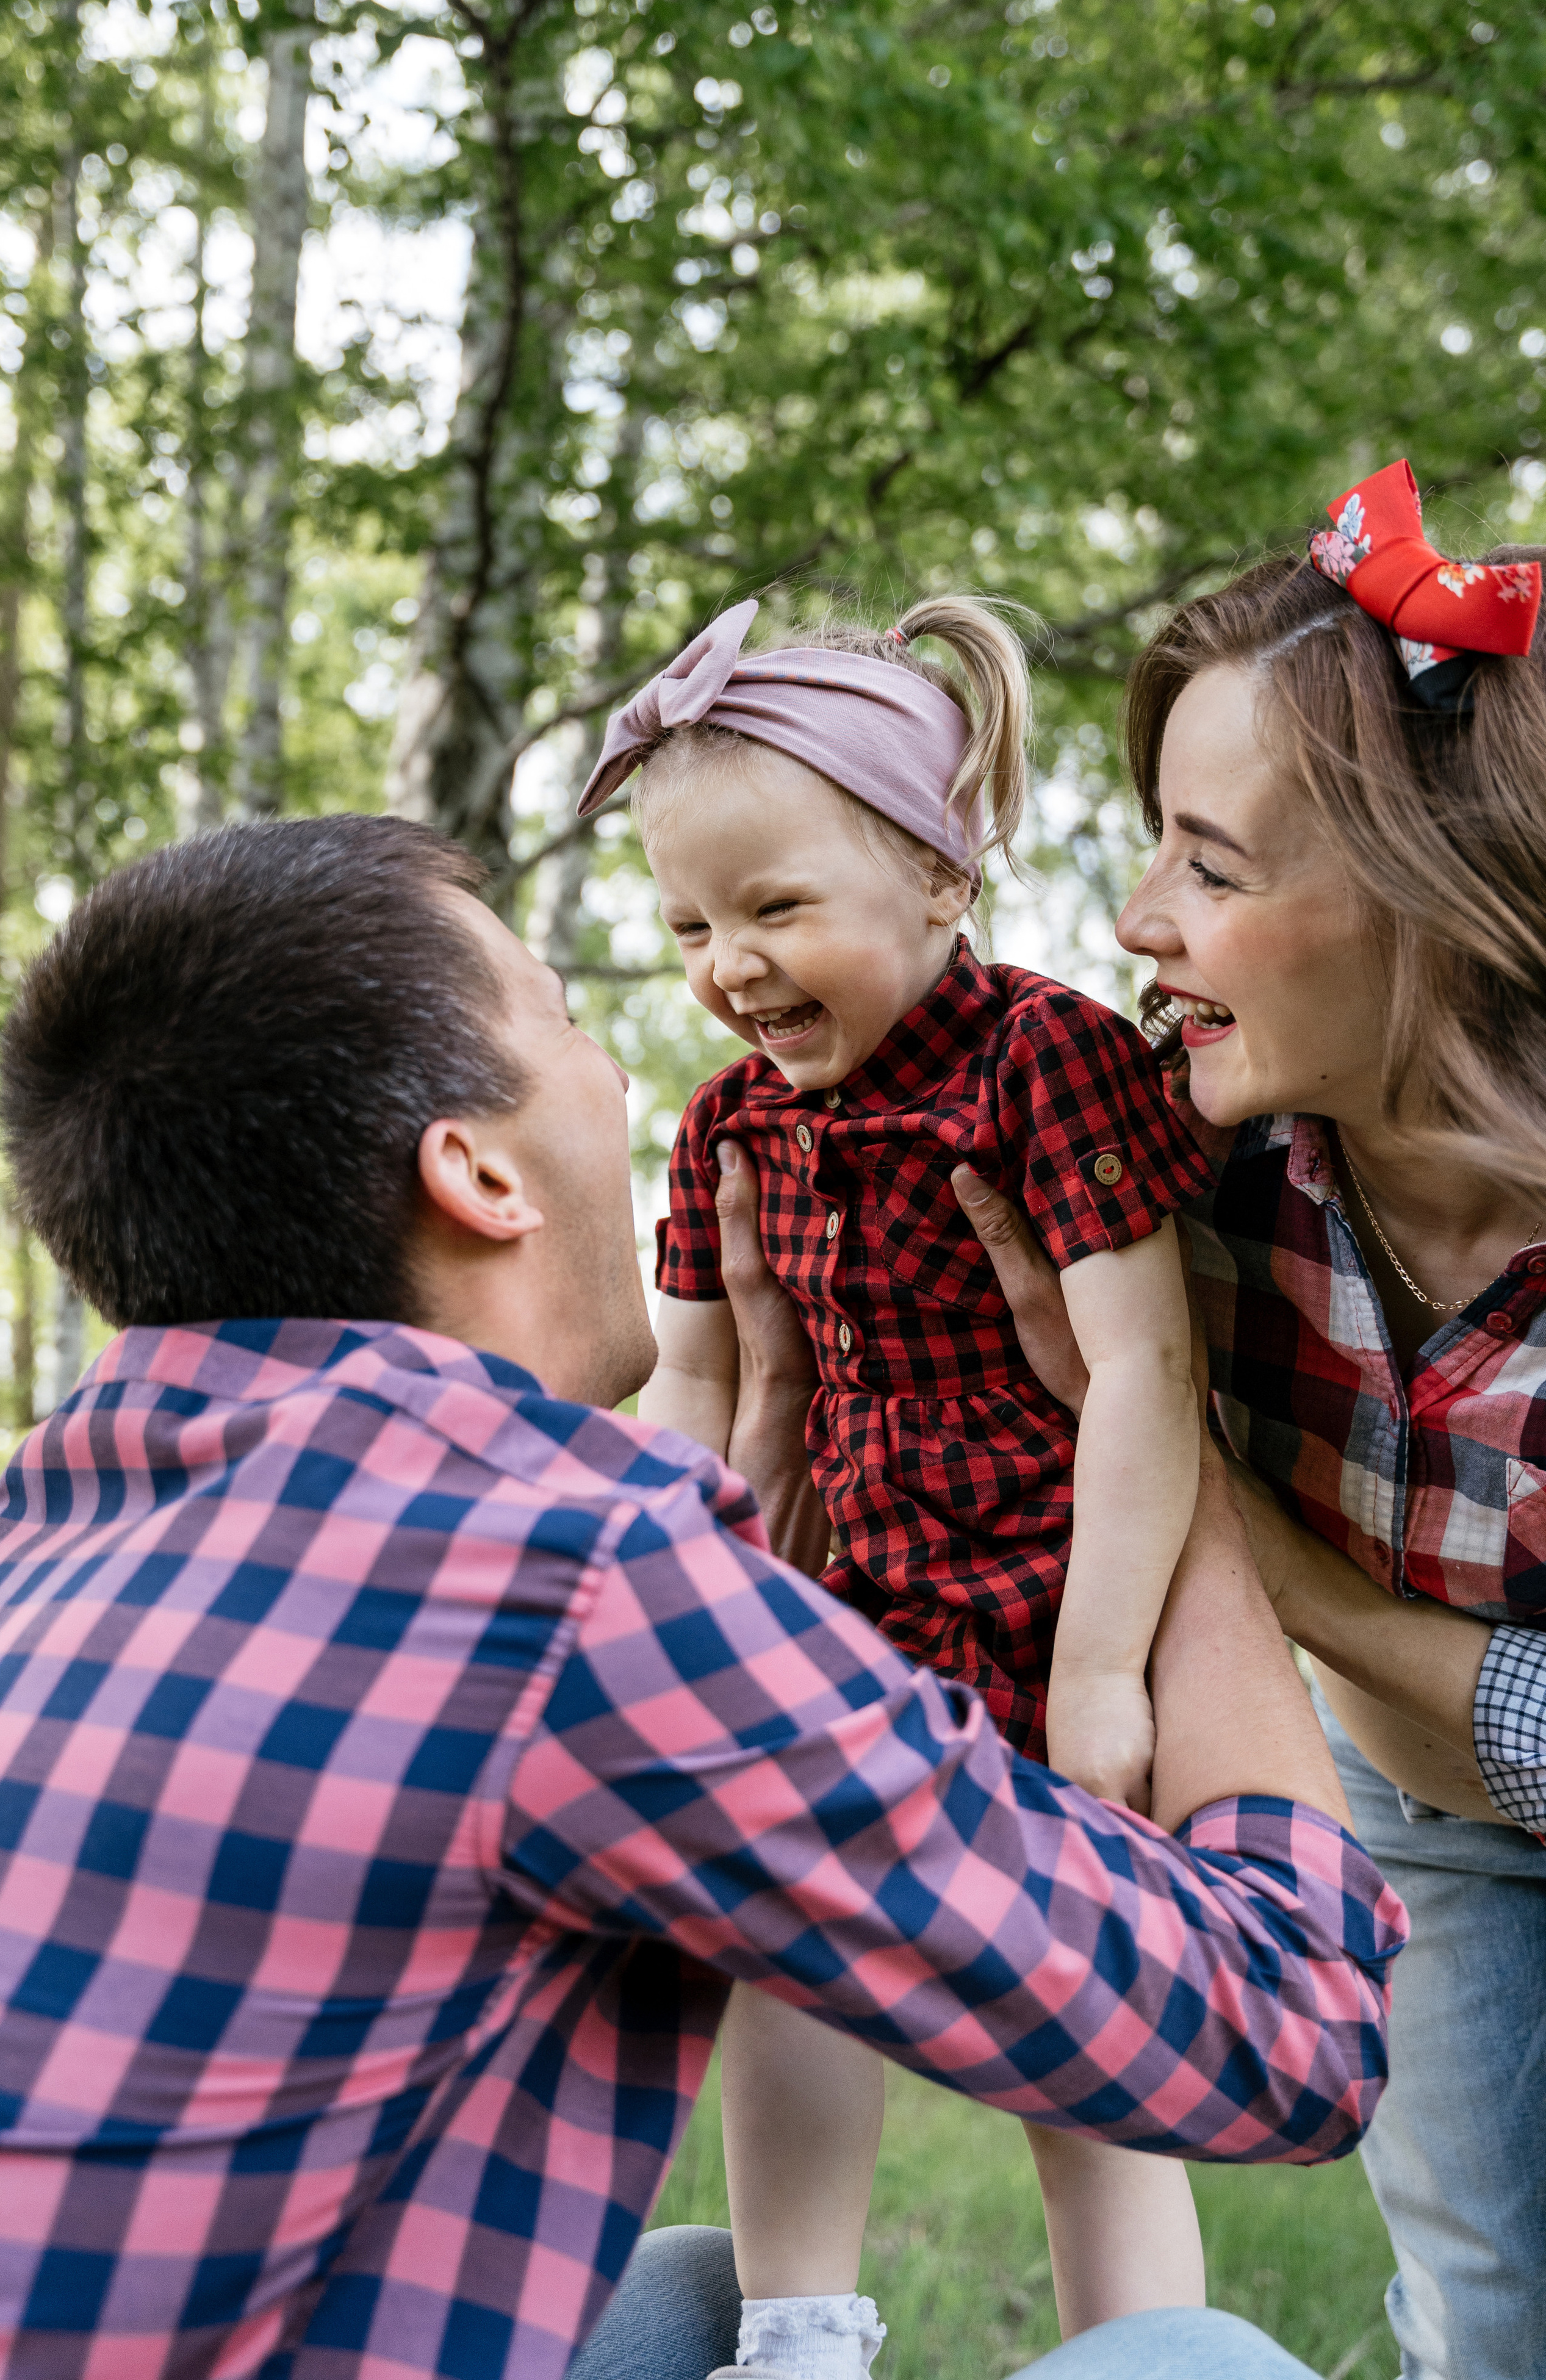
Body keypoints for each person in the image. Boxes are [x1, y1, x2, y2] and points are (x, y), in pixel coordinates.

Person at [0, 814, 1403, 2380]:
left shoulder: (37, 1532)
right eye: (573, 1023)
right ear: (475, 1172)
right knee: (1190, 2365)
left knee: (688, 2293)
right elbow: (1292, 2035)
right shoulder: (556, 1577)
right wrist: (1157, 1446)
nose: (639, 1071)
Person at [577, 595, 1211, 2373]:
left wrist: (1098, 1668)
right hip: (840, 1615)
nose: (730, 963)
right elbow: (699, 1383)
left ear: (943, 880)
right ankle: (795, 2330)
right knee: (793, 1959)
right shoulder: (730, 1127)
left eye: (778, 907)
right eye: (694, 920)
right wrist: (649, 1609)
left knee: (1084, 2024)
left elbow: (1148, 1371)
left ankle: (1142, 2346)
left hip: (1042, 1590)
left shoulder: (1045, 1061)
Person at [1002, 461, 1546, 2380]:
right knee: (1491, 2307)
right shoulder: (1180, 1156)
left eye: (1216, 869)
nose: (1140, 916)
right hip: (1420, 1808)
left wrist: (1259, 1545)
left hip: (1448, 1742)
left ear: (1444, 909)